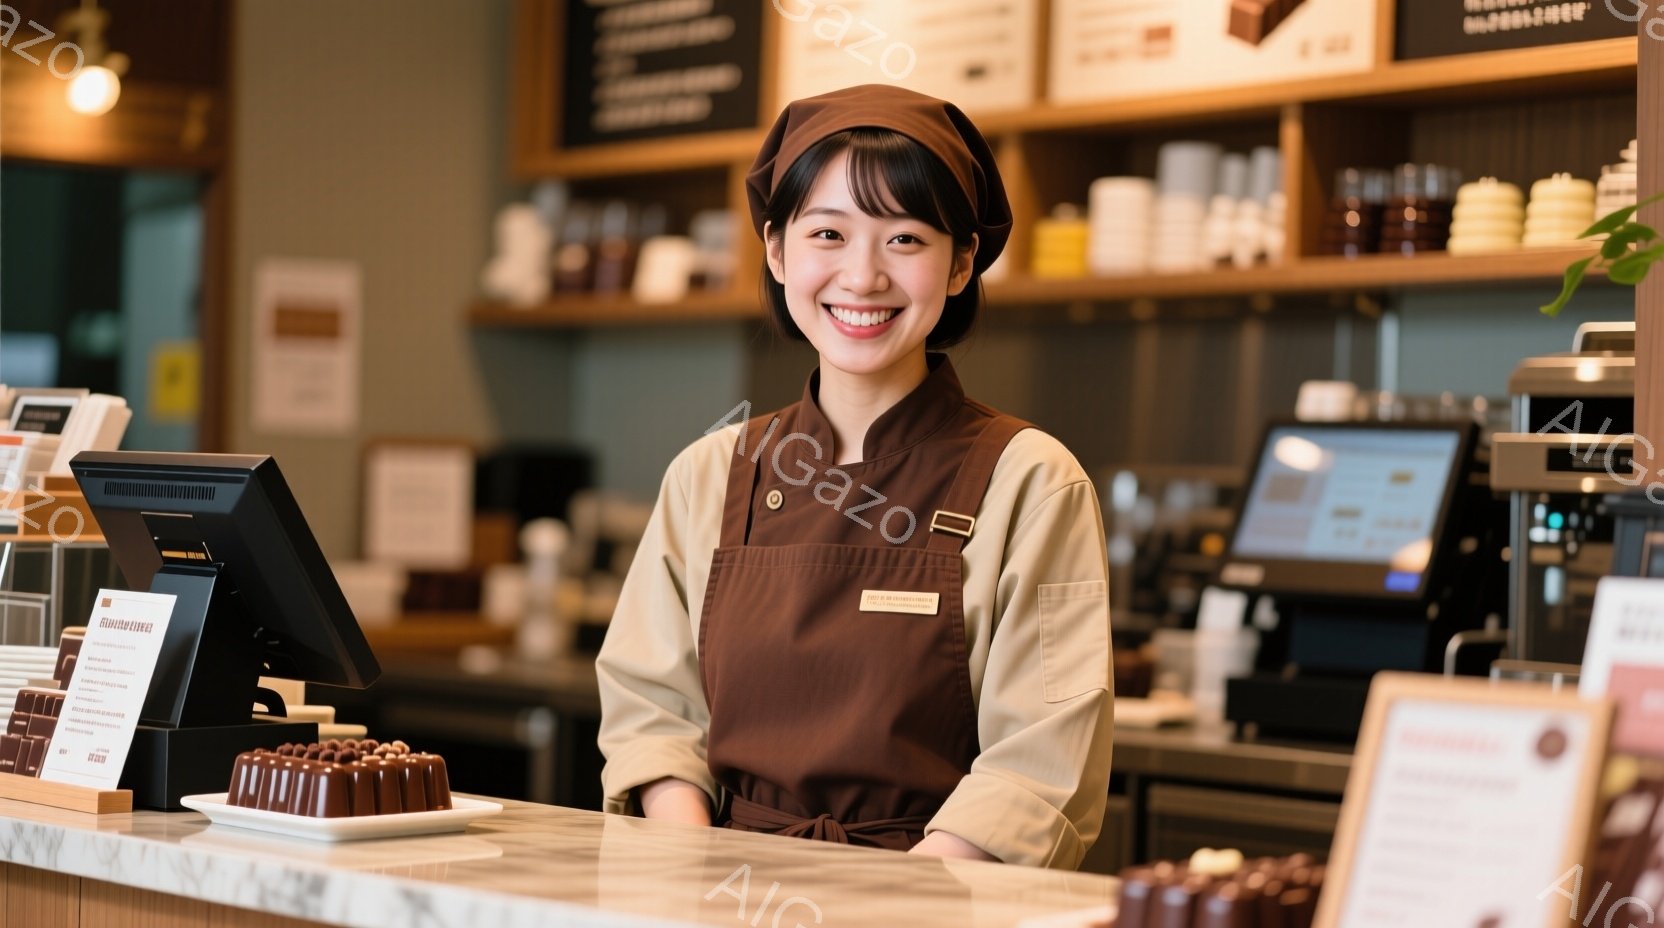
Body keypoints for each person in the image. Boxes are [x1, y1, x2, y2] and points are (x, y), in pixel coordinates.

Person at [595, 84, 1113, 869]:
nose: (863, 277)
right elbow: (651, 713)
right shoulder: (710, 472)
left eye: (904, 238)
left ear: (961, 262)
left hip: (936, 903)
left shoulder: (1032, 481)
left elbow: (1040, 762)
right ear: (777, 250)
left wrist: (894, 905)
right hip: (722, 890)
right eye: (828, 234)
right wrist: (698, 877)